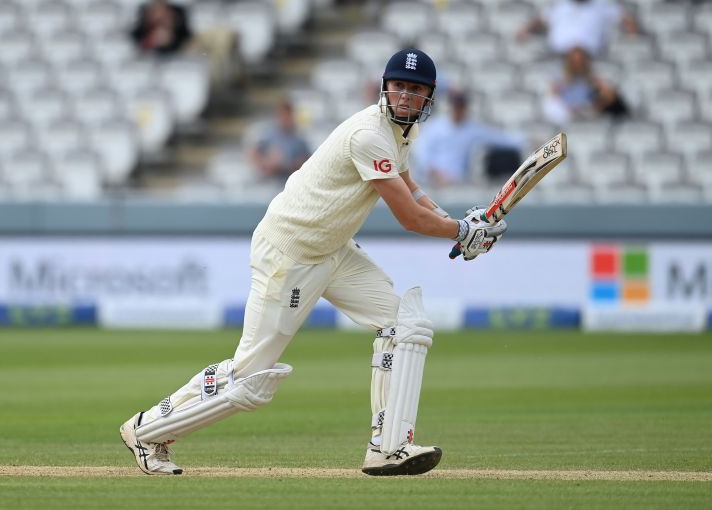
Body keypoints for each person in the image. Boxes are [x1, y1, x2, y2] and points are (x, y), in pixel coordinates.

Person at [120, 48, 507, 477]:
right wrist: (458, 232)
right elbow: (409, 217)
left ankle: (388, 446)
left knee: (407, 325)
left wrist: (465, 225)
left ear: (429, 97)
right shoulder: (369, 134)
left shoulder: (402, 134)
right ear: (385, 86)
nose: (405, 96)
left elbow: (413, 192)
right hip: (291, 253)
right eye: (398, 86)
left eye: (415, 90)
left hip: (333, 249)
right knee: (249, 380)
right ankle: (148, 431)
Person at [412, 88, 526, 186]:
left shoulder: (472, 128)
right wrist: (435, 173)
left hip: (459, 184)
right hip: (433, 183)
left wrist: (525, 140)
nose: (458, 110)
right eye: (456, 106)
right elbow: (421, 152)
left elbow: (500, 138)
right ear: (450, 106)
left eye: (461, 106)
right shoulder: (434, 126)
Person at [130, 0, 242, 87]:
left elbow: (186, 34)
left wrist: (172, 31)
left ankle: (227, 77)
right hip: (163, 54)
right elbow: (137, 37)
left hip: (183, 45)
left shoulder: (177, 10)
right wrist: (153, 40)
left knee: (222, 36)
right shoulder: (144, 12)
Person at [517, 0, 640, 57]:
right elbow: (541, 20)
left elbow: (625, 18)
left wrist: (632, 35)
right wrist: (526, 30)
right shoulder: (561, 6)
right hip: (559, 53)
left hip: (589, 54)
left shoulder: (602, 5)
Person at [541, 46, 628, 124]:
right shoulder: (560, 80)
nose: (577, 64)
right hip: (567, 115)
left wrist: (596, 105)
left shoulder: (593, 78)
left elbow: (609, 96)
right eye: (574, 61)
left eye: (580, 60)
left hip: (587, 114)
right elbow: (554, 99)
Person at [247, 98, 311, 182]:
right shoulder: (268, 136)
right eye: (282, 115)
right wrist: (266, 164)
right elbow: (253, 153)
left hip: (288, 182)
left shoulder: (299, 141)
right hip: (269, 182)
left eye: (287, 115)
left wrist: (286, 164)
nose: (285, 119)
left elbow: (306, 163)